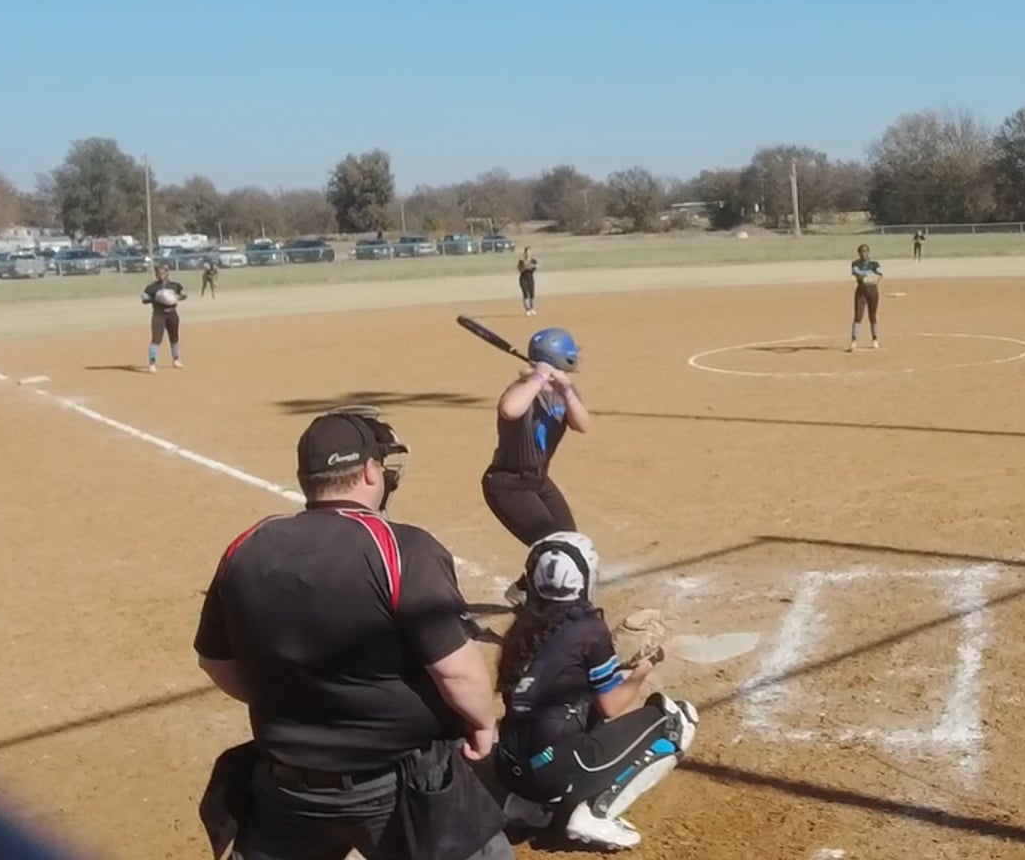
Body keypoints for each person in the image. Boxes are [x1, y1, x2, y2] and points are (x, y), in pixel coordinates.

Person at [194, 407, 511, 860]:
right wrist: (482, 725)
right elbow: (457, 673)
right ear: (369, 471)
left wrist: (294, 702)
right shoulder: (400, 548)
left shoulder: (247, 547)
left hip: (288, 787)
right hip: (399, 789)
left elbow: (215, 660)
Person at [492, 532, 699, 850]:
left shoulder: (521, 626)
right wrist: (646, 666)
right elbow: (612, 706)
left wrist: (617, 666)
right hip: (552, 771)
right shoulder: (589, 629)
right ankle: (596, 812)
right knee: (676, 720)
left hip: (509, 768)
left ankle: (528, 808)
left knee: (562, 711)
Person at [482, 329, 591, 606]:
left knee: (571, 541)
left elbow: (582, 424)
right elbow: (510, 409)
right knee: (553, 546)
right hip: (507, 484)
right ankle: (540, 603)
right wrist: (539, 377)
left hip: (538, 481)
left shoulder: (563, 392)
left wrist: (567, 390)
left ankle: (523, 588)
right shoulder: (521, 388)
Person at [141, 263, 187, 372]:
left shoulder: (174, 285)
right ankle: (152, 363)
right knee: (156, 338)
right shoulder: (152, 287)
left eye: (163, 272)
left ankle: (176, 359)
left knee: (174, 336)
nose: (160, 275)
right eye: (158, 273)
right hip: (159, 314)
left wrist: (177, 297)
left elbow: (182, 295)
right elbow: (144, 299)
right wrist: (156, 299)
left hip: (172, 313)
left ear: (167, 273)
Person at [849, 244, 881, 352]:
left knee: (872, 316)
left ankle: (875, 338)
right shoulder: (855, 264)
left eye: (865, 251)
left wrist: (873, 278)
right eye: (862, 252)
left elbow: (879, 275)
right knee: (858, 315)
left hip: (873, 291)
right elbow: (856, 273)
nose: (864, 254)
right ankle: (854, 339)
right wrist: (866, 276)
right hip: (861, 291)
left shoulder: (874, 264)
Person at [517, 248, 538, 317]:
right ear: (525, 253)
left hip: (530, 279)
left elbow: (536, 267)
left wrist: (531, 266)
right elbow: (519, 269)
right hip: (523, 279)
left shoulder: (533, 261)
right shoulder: (521, 261)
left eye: (529, 252)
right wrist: (524, 267)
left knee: (532, 294)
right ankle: (527, 309)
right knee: (525, 294)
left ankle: (532, 308)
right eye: (527, 252)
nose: (528, 254)